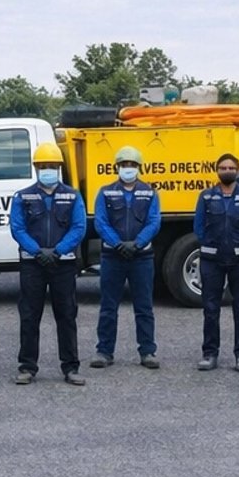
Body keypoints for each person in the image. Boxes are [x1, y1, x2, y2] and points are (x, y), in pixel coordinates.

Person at [10, 142, 87, 386]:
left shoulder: (72, 196)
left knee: (66, 315)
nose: (47, 170)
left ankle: (71, 367)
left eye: (52, 166)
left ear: (59, 168)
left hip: (63, 264)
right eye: (43, 166)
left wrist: (58, 251)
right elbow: (17, 228)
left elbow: (79, 227)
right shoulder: (22, 197)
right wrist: (37, 251)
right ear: (35, 168)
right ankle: (27, 367)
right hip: (33, 265)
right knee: (30, 316)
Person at [92, 145, 161, 369]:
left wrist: (137, 243)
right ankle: (104, 352)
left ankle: (148, 352)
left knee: (144, 307)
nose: (128, 168)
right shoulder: (105, 192)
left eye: (132, 165)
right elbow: (100, 222)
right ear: (117, 167)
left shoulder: (150, 192)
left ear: (139, 167)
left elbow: (154, 221)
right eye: (124, 165)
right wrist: (118, 243)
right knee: (108, 306)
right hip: (113, 256)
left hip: (142, 258)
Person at [193, 152, 239, 373]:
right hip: (212, 260)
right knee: (211, 308)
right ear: (217, 171)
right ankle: (209, 353)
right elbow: (199, 226)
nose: (227, 171)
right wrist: (210, 244)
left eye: (231, 168)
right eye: (223, 168)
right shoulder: (206, 196)